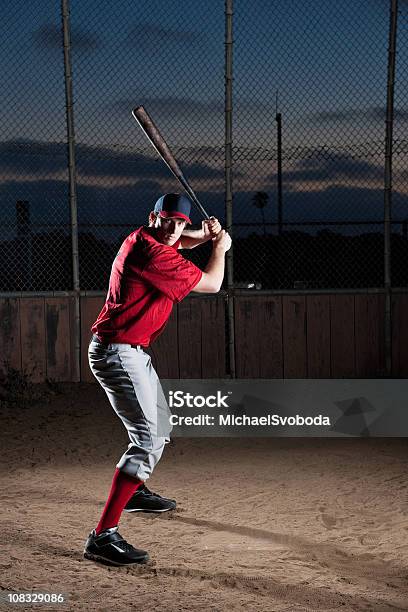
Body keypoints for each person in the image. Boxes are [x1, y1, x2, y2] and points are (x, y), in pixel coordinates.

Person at [84, 193, 231, 566]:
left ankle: (133, 491)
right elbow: (213, 283)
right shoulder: (152, 253)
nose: (174, 228)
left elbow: (179, 240)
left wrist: (203, 234)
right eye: (167, 220)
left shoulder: (144, 237)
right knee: (147, 440)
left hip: (130, 350)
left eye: (180, 222)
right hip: (118, 352)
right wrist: (221, 247)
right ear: (154, 217)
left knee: (160, 427)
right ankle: (102, 537)